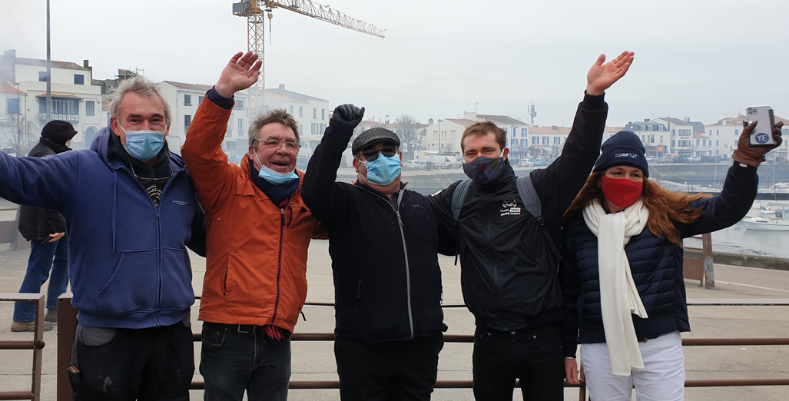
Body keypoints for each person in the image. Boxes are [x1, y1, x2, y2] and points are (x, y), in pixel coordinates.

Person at [0, 77, 206, 400]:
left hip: (172, 332)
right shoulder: (80, 169)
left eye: (155, 120)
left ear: (167, 126)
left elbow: (209, 238)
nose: (146, 128)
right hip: (107, 334)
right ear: (115, 124)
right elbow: (14, 175)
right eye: (135, 120)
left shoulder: (182, 176)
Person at [426, 51, 635, 400]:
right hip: (488, 339)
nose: (479, 159)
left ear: (504, 153)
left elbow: (578, 156)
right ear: (462, 158)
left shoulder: (537, 190)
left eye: (487, 151)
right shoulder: (455, 198)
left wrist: (593, 97)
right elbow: (409, 213)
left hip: (541, 339)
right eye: (471, 154)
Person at [560, 124, 783, 400]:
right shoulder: (576, 225)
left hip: (659, 344)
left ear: (644, 179)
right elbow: (568, 293)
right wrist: (567, 351)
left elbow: (727, 208)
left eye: (635, 174)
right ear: (600, 178)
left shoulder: (666, 214)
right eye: (617, 172)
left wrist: (746, 162)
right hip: (600, 344)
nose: (626, 179)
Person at [181, 51, 326, 401]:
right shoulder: (226, 186)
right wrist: (222, 93)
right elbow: (199, 151)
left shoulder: (308, 197)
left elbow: (348, 217)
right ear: (252, 149)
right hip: (227, 333)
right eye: (272, 142)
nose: (282, 149)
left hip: (278, 334)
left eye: (290, 144)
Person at [302, 105, 455, 400]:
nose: (381, 158)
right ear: (357, 164)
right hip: (363, 346)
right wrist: (339, 131)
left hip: (421, 345)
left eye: (388, 151)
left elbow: (459, 241)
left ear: (400, 157)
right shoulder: (344, 201)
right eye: (370, 155)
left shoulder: (423, 206)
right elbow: (314, 189)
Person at [12, 120, 77, 332]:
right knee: (39, 269)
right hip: (46, 224)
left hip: (56, 222)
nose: (70, 142)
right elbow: (46, 195)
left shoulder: (48, 152)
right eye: (68, 138)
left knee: (64, 263)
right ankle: (23, 318)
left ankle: (56, 308)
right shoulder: (46, 156)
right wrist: (59, 226)